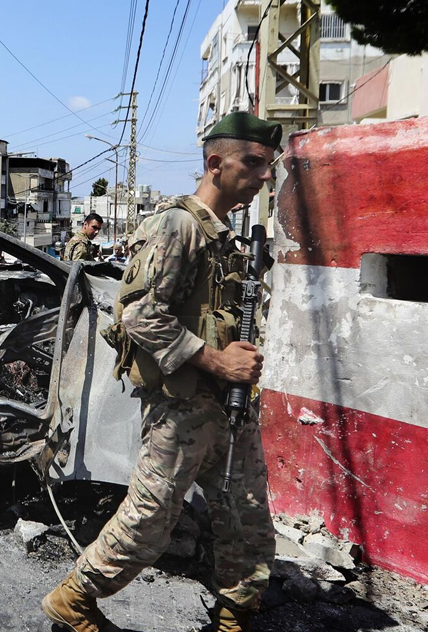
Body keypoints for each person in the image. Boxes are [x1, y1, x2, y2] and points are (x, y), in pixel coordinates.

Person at [41, 112, 280, 632]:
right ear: (216, 163)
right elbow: (140, 313)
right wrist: (218, 360)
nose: (265, 175)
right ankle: (74, 599)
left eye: (269, 165)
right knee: (151, 518)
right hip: (182, 408)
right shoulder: (178, 225)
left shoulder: (224, 236)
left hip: (227, 406)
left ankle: (235, 615)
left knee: (248, 518)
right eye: (254, 162)